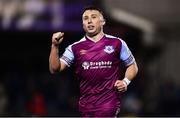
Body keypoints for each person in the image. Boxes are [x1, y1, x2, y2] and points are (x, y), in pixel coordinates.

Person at [49, 6, 138, 117]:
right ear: (83, 24)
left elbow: (132, 65)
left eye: (93, 17)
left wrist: (125, 81)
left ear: (102, 22)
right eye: (86, 18)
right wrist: (55, 46)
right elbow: (54, 68)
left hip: (109, 105)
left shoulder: (117, 43)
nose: (89, 21)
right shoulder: (74, 48)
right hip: (86, 107)